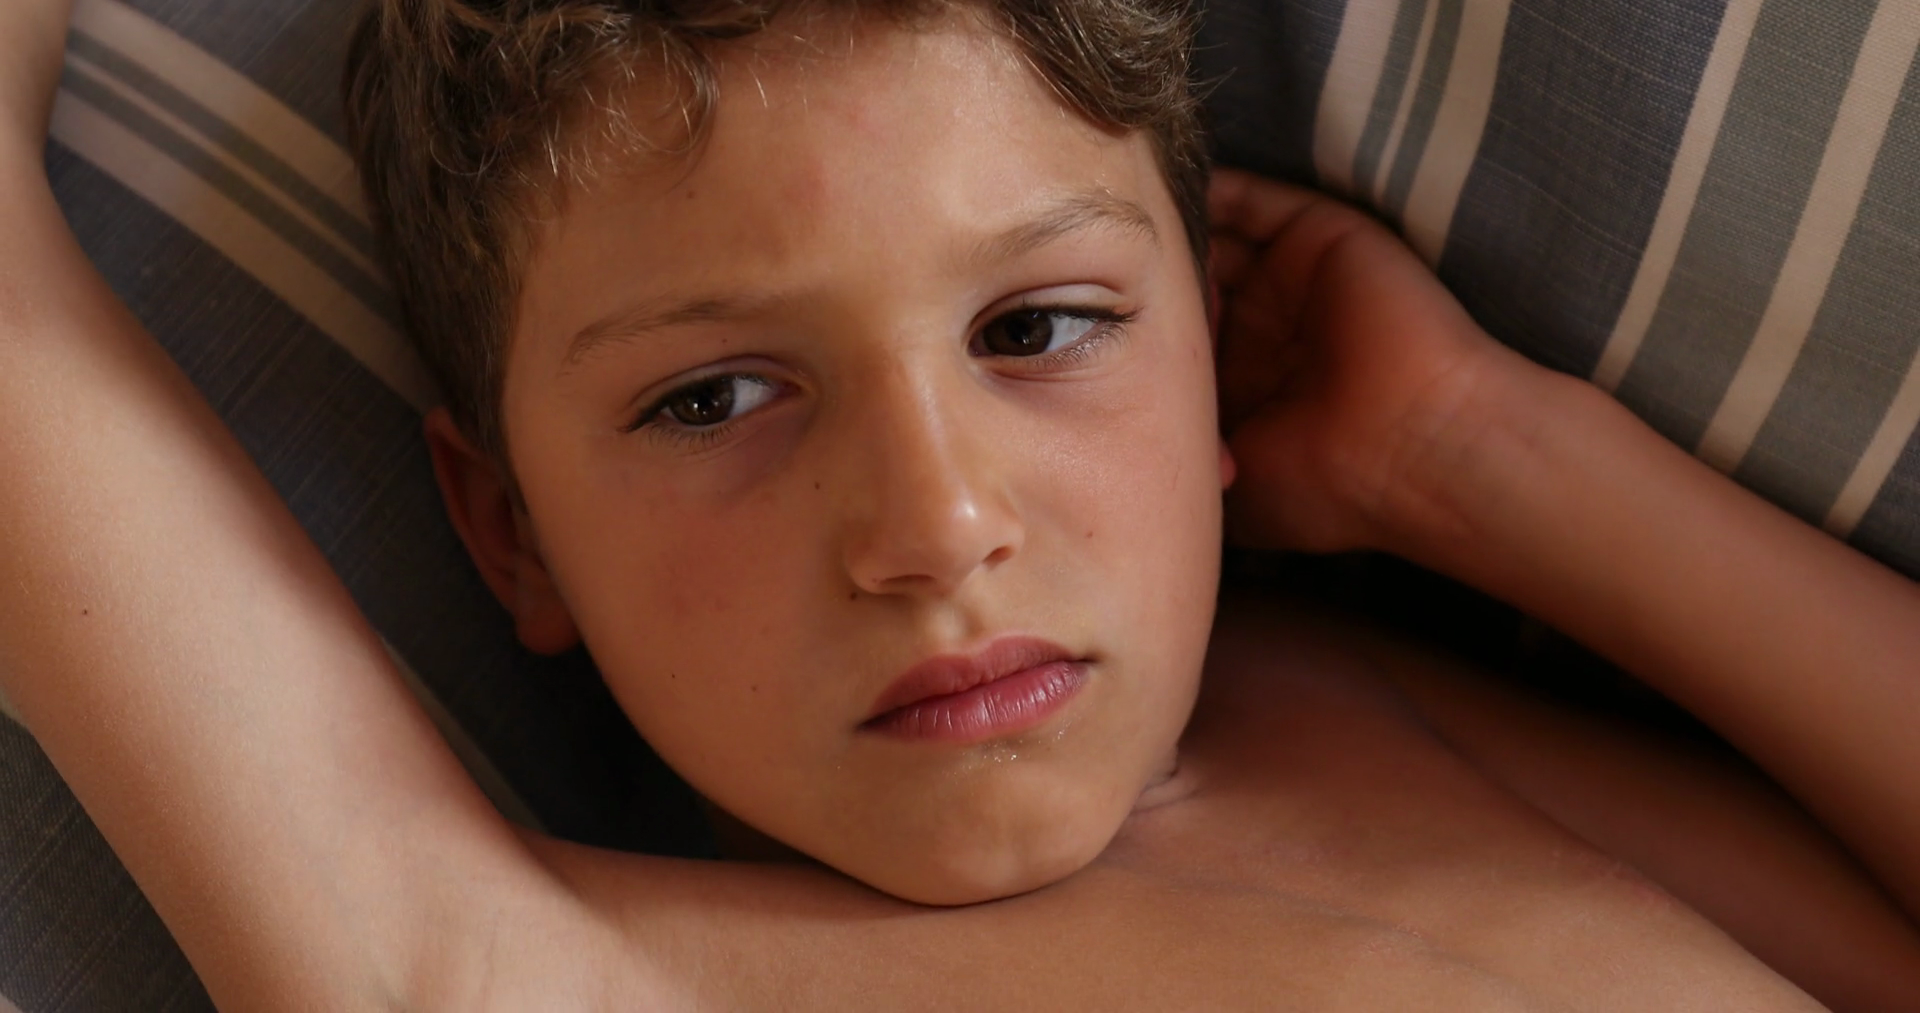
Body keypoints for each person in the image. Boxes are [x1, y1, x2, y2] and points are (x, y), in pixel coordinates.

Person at [2, 0, 1917, 1007]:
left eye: (1040, 327)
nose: (934, 528)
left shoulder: (1344, 727)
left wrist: (1486, 457)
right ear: (507, 530)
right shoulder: (534, 977)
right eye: (712, 396)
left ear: (1211, 353)